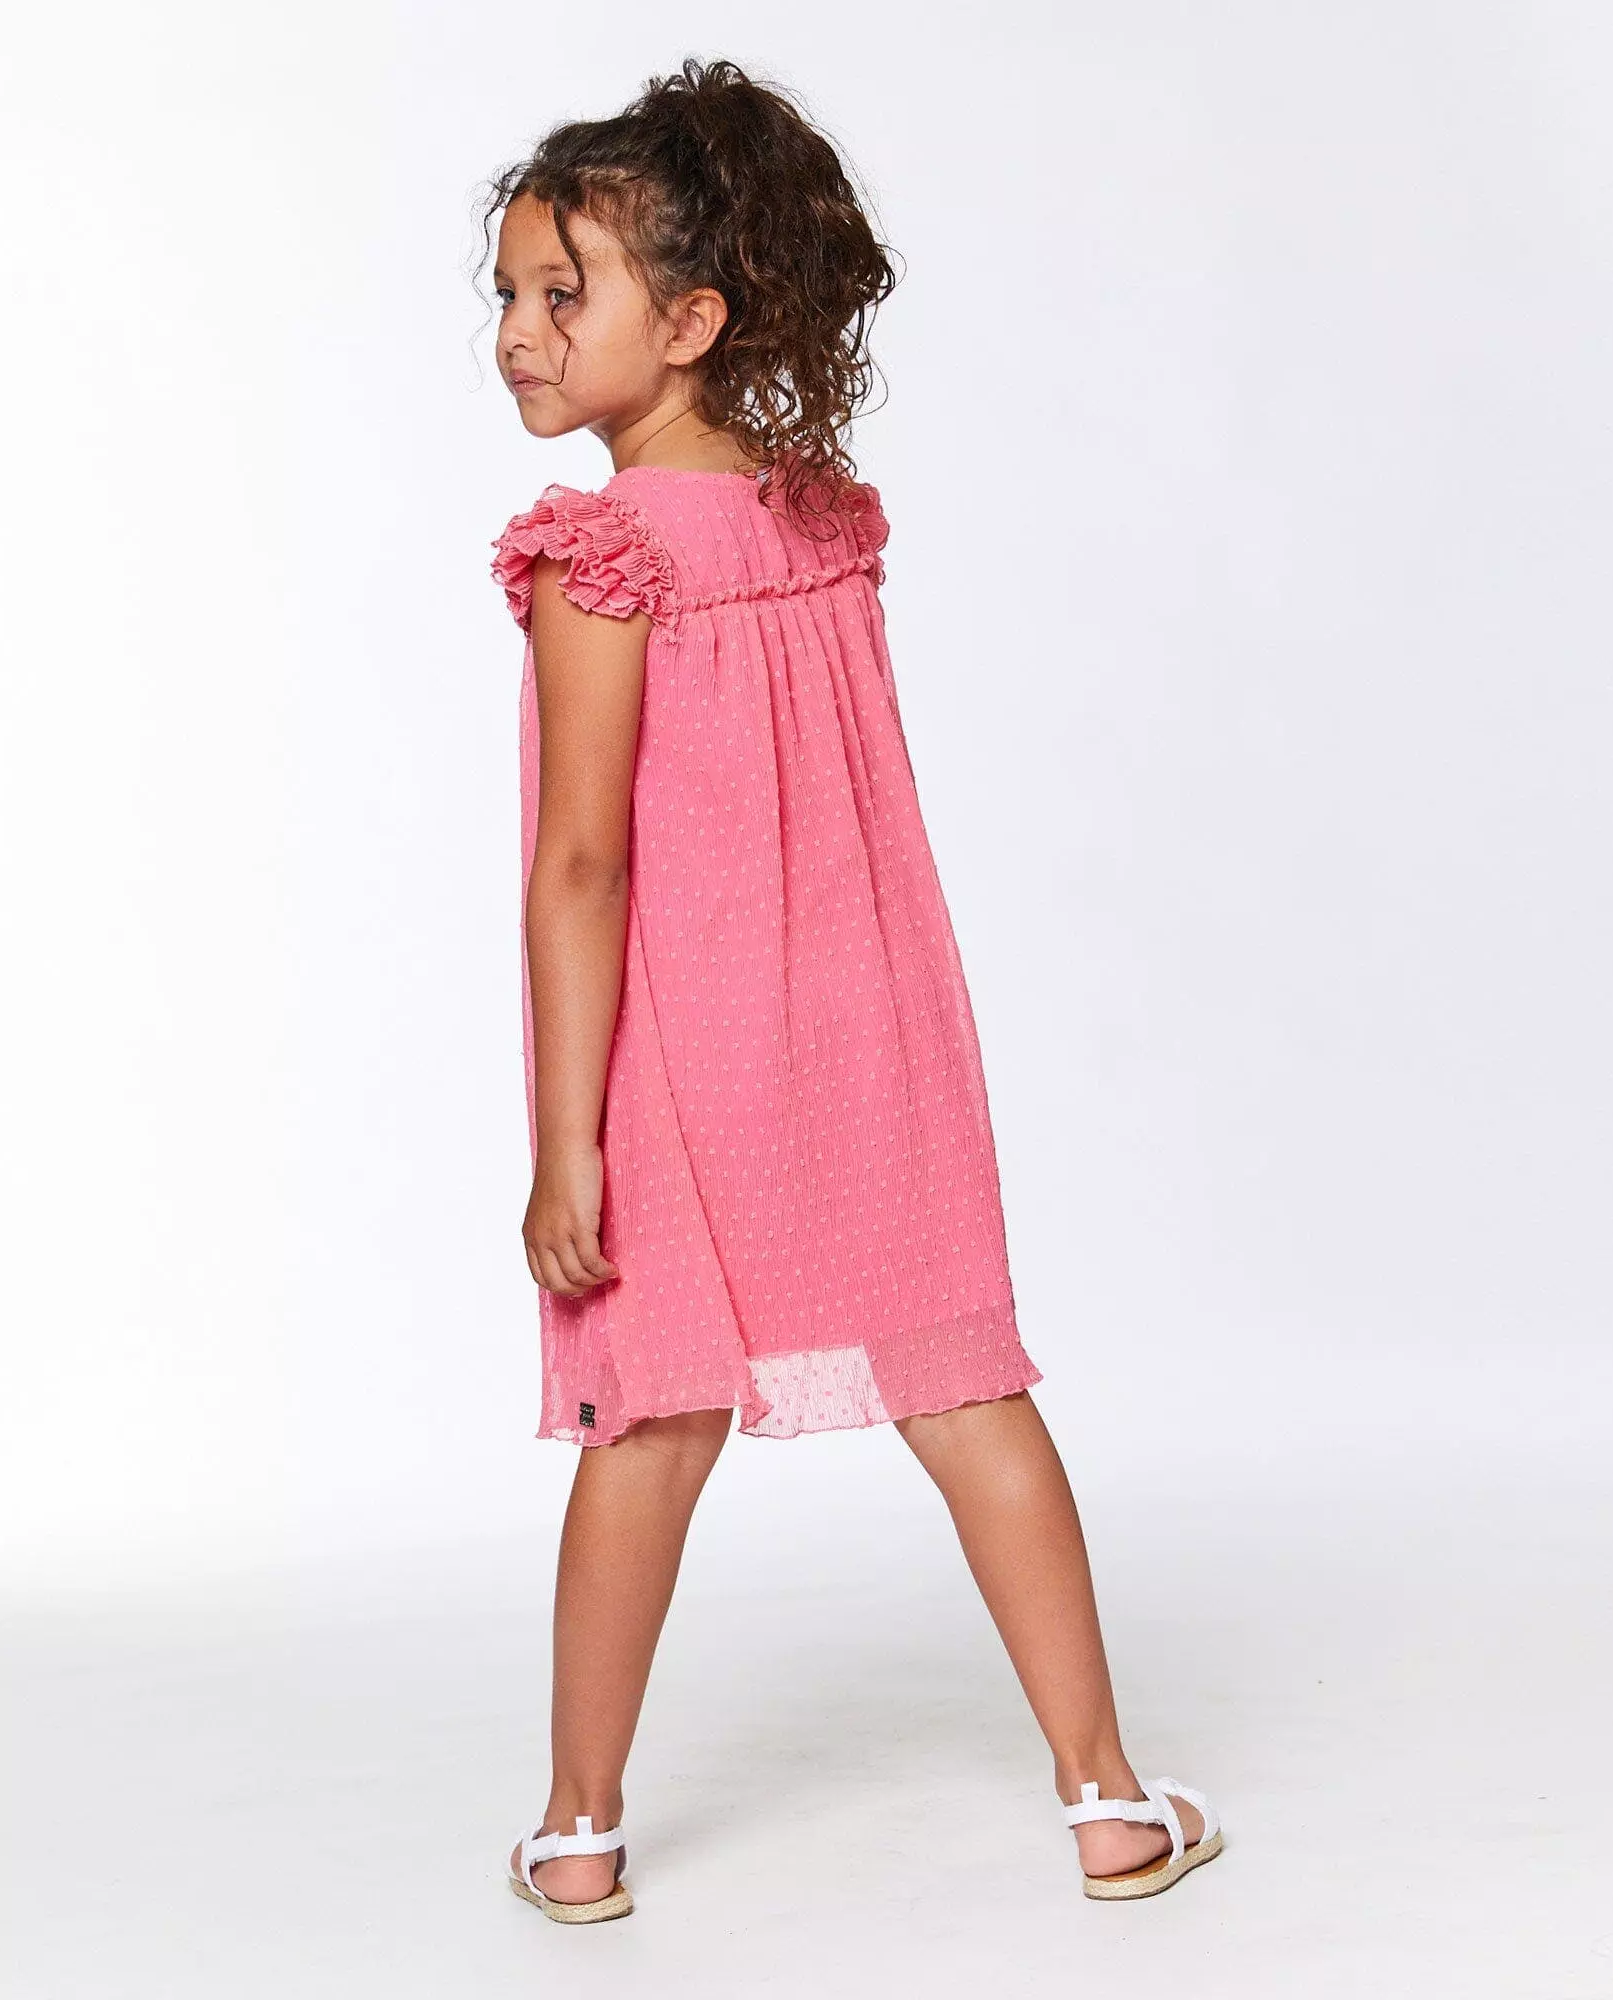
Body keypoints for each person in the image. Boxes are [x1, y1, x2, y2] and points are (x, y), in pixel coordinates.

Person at [484, 58, 1223, 1923]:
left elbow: (584, 865)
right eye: (506, 293)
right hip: (872, 1033)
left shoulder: (599, 555)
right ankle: (1108, 1799)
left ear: (694, 320)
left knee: (650, 1423)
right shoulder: (826, 522)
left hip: (685, 1060)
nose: (517, 333)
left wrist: (566, 1144)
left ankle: (578, 1833)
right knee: (969, 1390)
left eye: (563, 293)